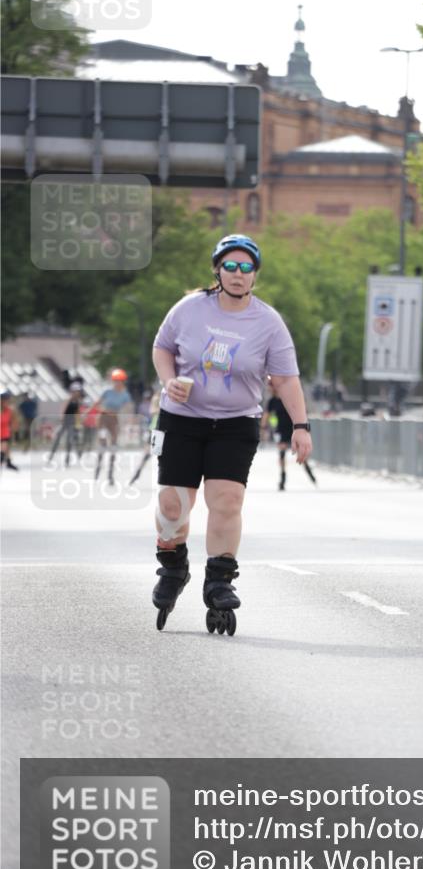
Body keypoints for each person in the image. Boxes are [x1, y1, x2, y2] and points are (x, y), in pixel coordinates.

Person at [151, 233, 312, 628]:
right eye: (231, 266)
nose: (238, 274)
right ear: (217, 270)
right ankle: (173, 566)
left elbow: (286, 379)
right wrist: (168, 379)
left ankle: (219, 581)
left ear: (255, 275)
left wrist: (301, 425)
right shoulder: (189, 309)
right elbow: (162, 348)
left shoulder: (268, 322)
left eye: (246, 268)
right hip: (182, 419)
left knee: (226, 501)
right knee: (174, 505)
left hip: (236, 423)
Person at [263, 377, 316, 490]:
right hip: (281, 430)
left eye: (270, 386)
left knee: (300, 454)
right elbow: (266, 415)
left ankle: (308, 471)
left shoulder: (287, 397)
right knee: (281, 452)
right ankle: (282, 477)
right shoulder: (272, 401)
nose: (269, 388)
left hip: (293, 428)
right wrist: (263, 428)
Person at [48, 382, 84, 465]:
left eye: (78, 391)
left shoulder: (78, 402)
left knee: (70, 440)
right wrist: (62, 417)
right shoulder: (69, 400)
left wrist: (79, 421)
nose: (77, 393)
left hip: (72, 423)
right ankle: (51, 456)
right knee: (58, 438)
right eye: (75, 391)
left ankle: (67, 459)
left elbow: (78, 412)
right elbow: (63, 410)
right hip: (65, 422)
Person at [1, 391, 19, 470]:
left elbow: (15, 422)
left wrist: (16, 434)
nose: (7, 402)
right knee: (5, 449)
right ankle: (8, 462)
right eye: (5, 400)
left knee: (3, 450)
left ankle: (7, 462)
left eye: (8, 400)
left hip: (5, 434)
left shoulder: (10, 410)